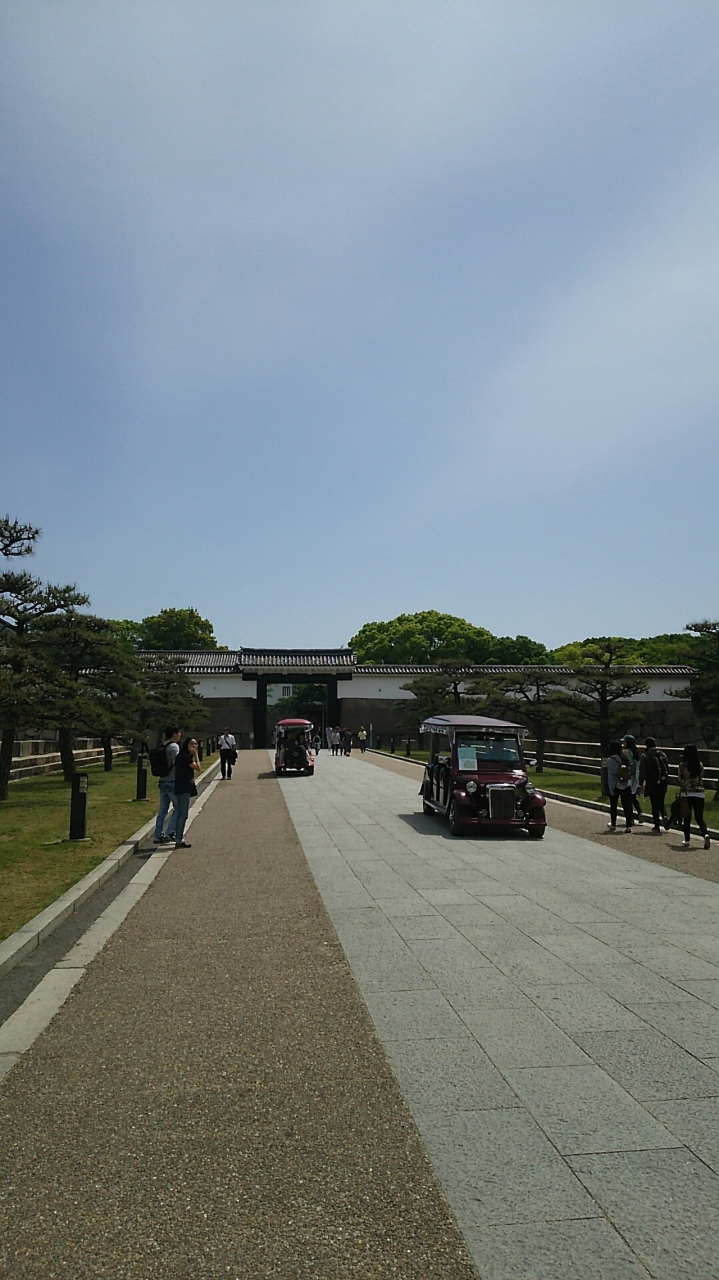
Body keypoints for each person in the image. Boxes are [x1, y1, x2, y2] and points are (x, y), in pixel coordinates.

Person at [677, 744, 710, 850]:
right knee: (699, 817)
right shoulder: (699, 765)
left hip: (686, 793)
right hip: (699, 793)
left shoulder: (682, 766)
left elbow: (679, 779)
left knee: (687, 817)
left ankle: (687, 839)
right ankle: (705, 834)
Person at [153, 726, 181, 844]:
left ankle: (157, 834)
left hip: (163, 780)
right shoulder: (174, 747)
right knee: (179, 807)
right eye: (179, 732)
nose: (180, 734)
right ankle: (170, 832)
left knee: (163, 809)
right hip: (172, 781)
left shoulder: (163, 745)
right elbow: (176, 763)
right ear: (174, 734)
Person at [172, 736, 201, 849]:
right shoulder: (185, 757)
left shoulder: (181, 756)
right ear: (186, 745)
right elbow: (198, 767)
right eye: (191, 744)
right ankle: (179, 840)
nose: (193, 746)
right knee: (183, 814)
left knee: (180, 813)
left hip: (179, 787)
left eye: (195, 744)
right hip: (184, 788)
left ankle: (178, 838)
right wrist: (196, 755)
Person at [639, 736, 669, 834]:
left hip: (652, 782)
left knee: (654, 803)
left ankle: (657, 825)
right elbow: (667, 767)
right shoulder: (662, 754)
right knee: (661, 801)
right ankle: (664, 815)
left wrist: (641, 783)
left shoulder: (645, 756)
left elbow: (642, 771)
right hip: (663, 782)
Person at [607, 738, 634, 833]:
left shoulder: (610, 760)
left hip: (616, 784)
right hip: (626, 783)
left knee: (613, 806)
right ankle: (628, 825)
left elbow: (611, 776)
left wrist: (611, 789)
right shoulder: (624, 757)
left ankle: (613, 824)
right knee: (627, 805)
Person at [622, 734, 643, 823]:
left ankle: (631, 818)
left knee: (628, 799)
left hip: (629, 777)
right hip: (636, 778)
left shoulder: (626, 752)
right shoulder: (636, 752)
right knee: (633, 797)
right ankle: (640, 813)